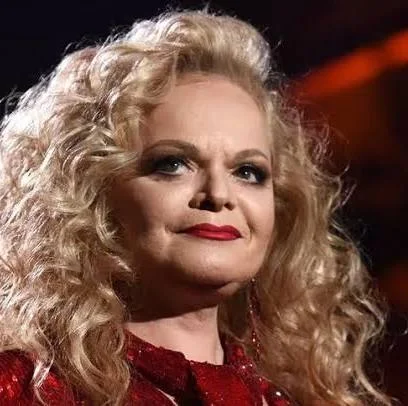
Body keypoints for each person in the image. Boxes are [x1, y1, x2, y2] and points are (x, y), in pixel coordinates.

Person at [0, 9, 393, 406]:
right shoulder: (24, 390)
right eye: (173, 164)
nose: (219, 194)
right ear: (93, 193)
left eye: (248, 172)